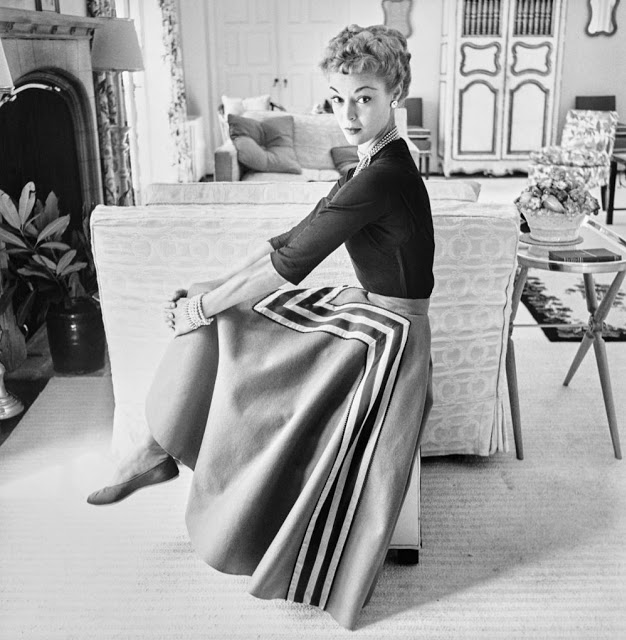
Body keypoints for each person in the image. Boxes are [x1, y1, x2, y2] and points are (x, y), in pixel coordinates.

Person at [87, 24, 434, 630]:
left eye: (364, 98)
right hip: (371, 312)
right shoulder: (369, 164)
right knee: (220, 306)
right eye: (338, 98)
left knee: (226, 317)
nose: (348, 115)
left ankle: (158, 448)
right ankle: (155, 446)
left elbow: (290, 265)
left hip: (391, 337)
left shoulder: (384, 175)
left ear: (394, 95)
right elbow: (291, 239)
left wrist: (205, 307)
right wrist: (211, 290)